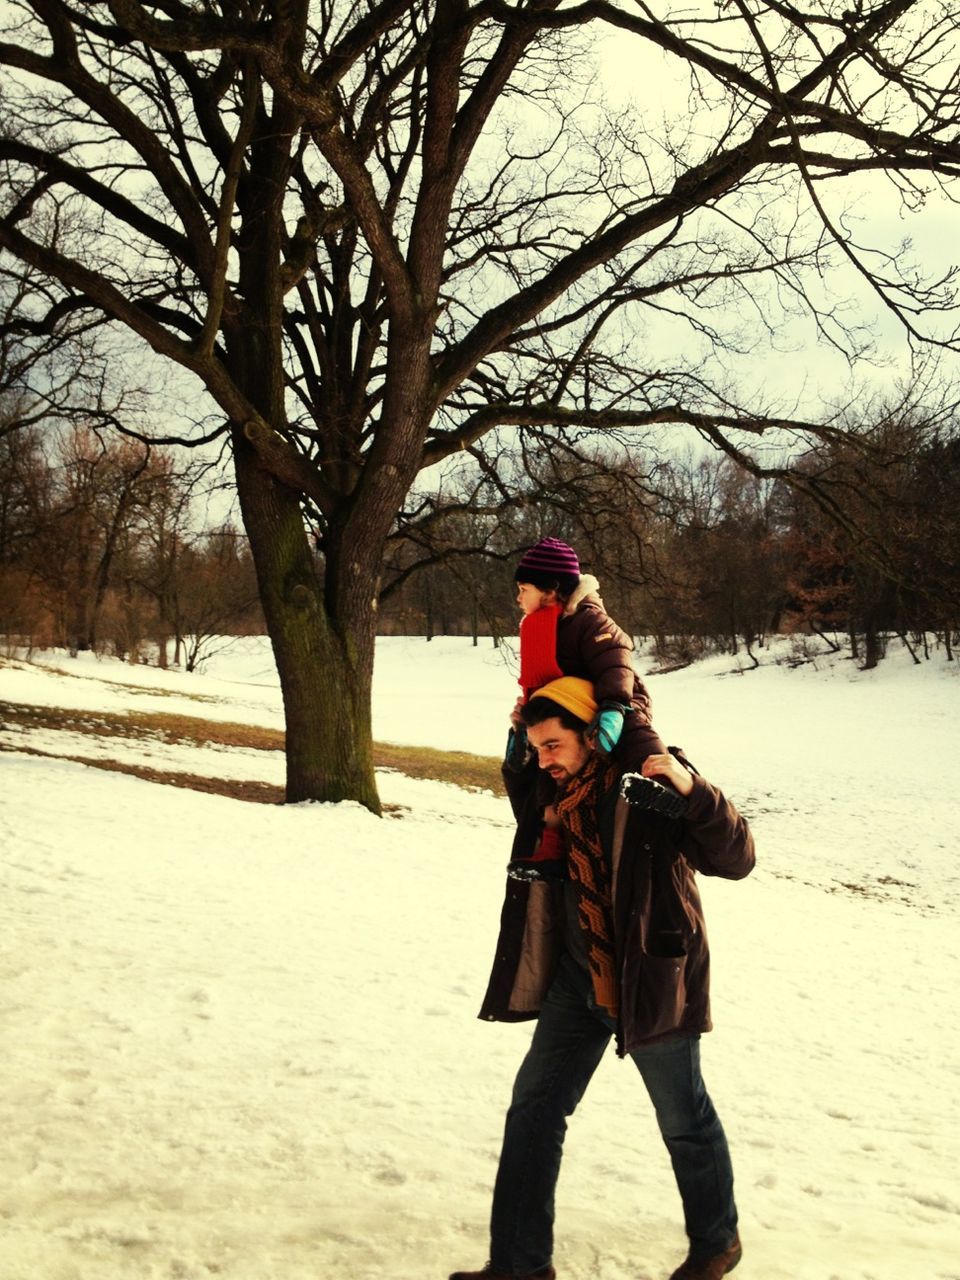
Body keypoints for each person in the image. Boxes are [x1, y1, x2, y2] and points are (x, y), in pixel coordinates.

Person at [453, 676, 755, 1280]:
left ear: (591, 735)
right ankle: (520, 1265)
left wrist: (694, 790)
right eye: (537, 747)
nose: (546, 759)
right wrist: (520, 744)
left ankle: (717, 1243)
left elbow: (737, 857)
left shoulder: (646, 783)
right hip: (577, 975)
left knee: (684, 1120)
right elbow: (525, 796)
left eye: (554, 745)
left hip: (650, 976)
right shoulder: (553, 786)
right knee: (533, 1110)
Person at [507, 537, 668, 881]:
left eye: (524, 588)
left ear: (551, 589)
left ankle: (661, 785)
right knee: (549, 780)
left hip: (615, 700)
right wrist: (526, 720)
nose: (519, 597)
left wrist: (613, 704)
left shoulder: (588, 620)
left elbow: (615, 661)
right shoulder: (540, 627)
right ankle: (551, 846)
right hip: (570, 713)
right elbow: (538, 684)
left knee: (635, 735)